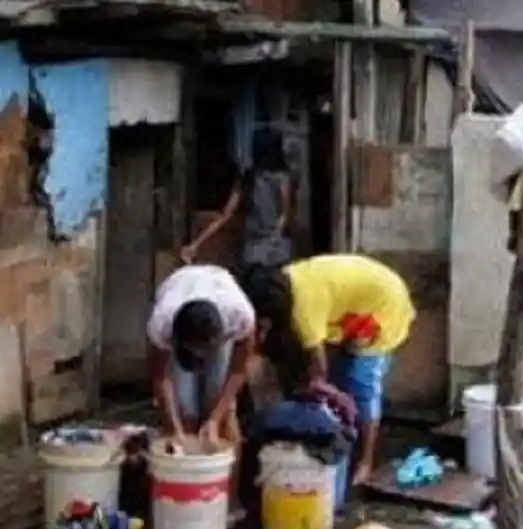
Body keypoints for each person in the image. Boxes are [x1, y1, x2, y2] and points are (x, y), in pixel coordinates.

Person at [242, 254, 415, 486]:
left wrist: (317, 389)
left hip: (382, 304)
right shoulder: (284, 283)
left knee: (362, 383)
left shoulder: (302, 308)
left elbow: (319, 366)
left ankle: (366, 461)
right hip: (352, 306)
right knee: (342, 378)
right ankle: (345, 445)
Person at [147, 264, 256, 445]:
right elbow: (160, 376)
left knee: (222, 406)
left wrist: (215, 418)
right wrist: (175, 428)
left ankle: (234, 469)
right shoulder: (162, 322)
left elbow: (238, 371)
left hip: (219, 285)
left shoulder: (240, 315)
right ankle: (182, 461)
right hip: (180, 284)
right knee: (184, 408)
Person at [181, 129, 293, 276]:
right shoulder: (282, 178)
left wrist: (196, 244)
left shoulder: (248, 178)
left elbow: (225, 216)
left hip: (253, 253)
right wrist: (274, 240)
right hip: (275, 253)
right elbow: (285, 215)